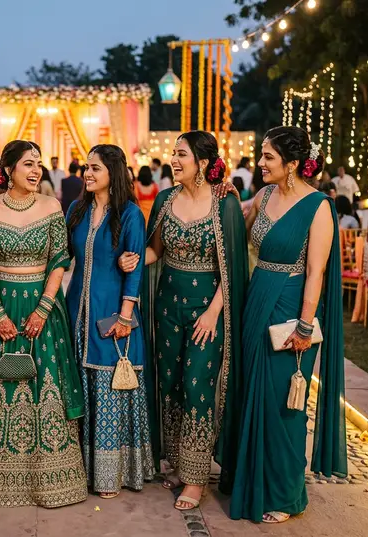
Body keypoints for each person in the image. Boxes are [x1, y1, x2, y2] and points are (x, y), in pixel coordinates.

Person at [0, 140, 87, 508]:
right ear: (8, 170)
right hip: (0, 307)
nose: (36, 170)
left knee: (46, 381)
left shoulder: (51, 206)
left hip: (43, 307)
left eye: (38, 163)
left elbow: (60, 258)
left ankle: (51, 477)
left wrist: (43, 308)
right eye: (27, 164)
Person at [119, 131, 248, 512]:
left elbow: (232, 266)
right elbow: (156, 250)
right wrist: (134, 259)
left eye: (181, 155)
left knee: (198, 389)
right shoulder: (164, 199)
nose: (173, 160)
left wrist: (213, 312)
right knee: (172, 384)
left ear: (203, 163)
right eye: (173, 154)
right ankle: (178, 463)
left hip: (206, 311)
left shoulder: (224, 205)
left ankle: (195, 480)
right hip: (168, 307)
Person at [228, 126, 346, 524]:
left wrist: (305, 326)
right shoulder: (263, 196)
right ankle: (249, 479)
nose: (260, 163)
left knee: (284, 402)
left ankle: (285, 494)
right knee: (250, 393)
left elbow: (316, 272)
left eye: (268, 157)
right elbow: (238, 225)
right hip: (257, 296)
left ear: (292, 164)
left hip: (292, 306)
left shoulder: (319, 207)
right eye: (261, 155)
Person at [66, 145, 153, 499]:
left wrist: (127, 316)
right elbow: (62, 256)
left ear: (112, 173)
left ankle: (110, 474)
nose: (87, 174)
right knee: (81, 385)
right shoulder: (76, 209)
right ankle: (78, 467)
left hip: (114, 313)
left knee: (110, 389)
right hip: (76, 311)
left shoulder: (130, 215)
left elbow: (133, 271)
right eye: (86, 168)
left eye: (95, 168)